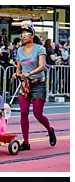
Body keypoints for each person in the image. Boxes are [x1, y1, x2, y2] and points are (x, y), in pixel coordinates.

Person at [16, 21, 56, 150]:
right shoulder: (19, 50)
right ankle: (26, 142)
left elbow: (42, 66)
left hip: (38, 84)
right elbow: (18, 67)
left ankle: (50, 130)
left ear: (32, 35)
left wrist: (29, 73)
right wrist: (17, 74)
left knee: (38, 114)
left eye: (26, 34)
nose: (24, 36)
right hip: (25, 84)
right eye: (22, 34)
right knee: (23, 112)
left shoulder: (40, 48)